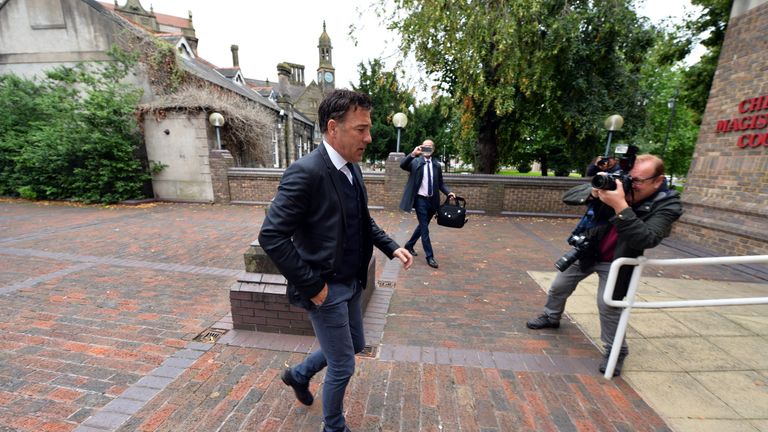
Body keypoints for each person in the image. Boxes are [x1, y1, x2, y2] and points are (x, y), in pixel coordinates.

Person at [258, 89, 413, 432]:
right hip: (325, 287)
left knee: (355, 345)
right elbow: (271, 236)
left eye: (368, 128)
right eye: (361, 129)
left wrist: (391, 247)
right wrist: (314, 287)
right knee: (343, 366)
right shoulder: (306, 173)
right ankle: (334, 427)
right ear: (333, 128)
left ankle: (298, 374)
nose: (368, 138)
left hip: (352, 282)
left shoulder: (352, 169)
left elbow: (362, 219)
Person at [526, 154, 682, 376]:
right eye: (630, 177)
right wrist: (594, 191)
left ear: (658, 180)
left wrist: (620, 204)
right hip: (589, 249)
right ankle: (551, 317)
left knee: (608, 306)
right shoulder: (617, 182)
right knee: (559, 286)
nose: (631, 183)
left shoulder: (667, 203)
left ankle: (617, 351)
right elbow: (569, 197)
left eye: (638, 180)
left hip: (619, 260)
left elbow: (646, 238)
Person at [399, 139, 455, 269]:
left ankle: (409, 245)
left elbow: (440, 183)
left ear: (433, 150)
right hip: (420, 201)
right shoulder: (415, 162)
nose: (427, 149)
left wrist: (449, 193)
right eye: (424, 147)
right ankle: (430, 256)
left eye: (429, 147)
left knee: (422, 225)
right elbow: (402, 165)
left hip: (432, 201)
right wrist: (413, 153)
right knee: (425, 228)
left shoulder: (436, 165)